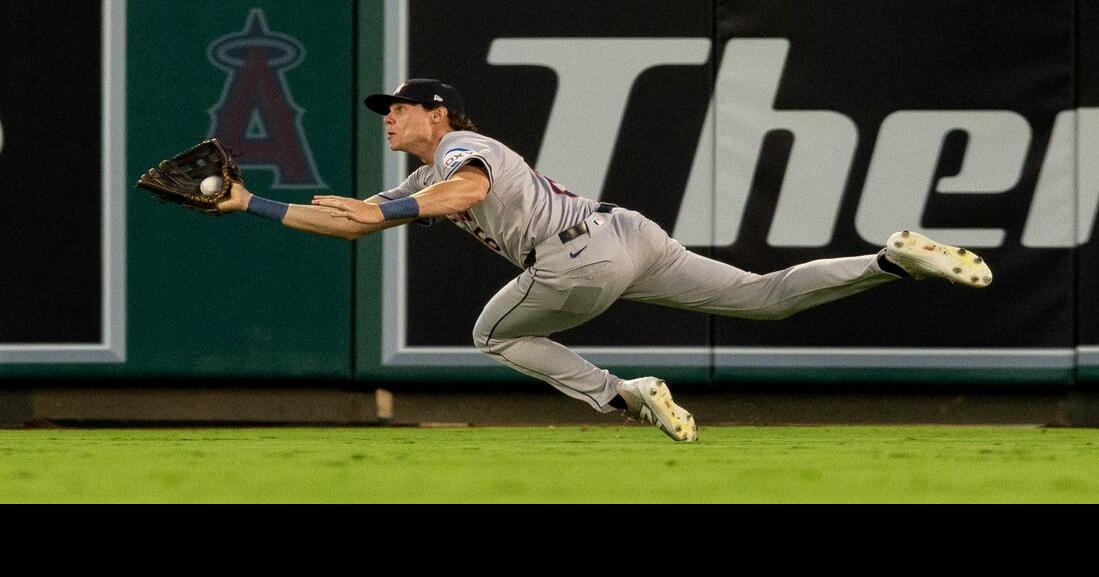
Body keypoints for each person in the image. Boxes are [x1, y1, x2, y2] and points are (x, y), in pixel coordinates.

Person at [217, 79, 993, 442]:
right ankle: (889, 260)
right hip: (627, 233)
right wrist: (248, 202)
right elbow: (352, 220)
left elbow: (464, 193)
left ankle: (623, 394)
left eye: (398, 106)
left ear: (437, 112)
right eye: (384, 110)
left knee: (492, 333)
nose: (387, 117)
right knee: (764, 296)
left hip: (577, 259)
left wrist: (388, 209)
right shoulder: (424, 172)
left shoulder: (463, 147)